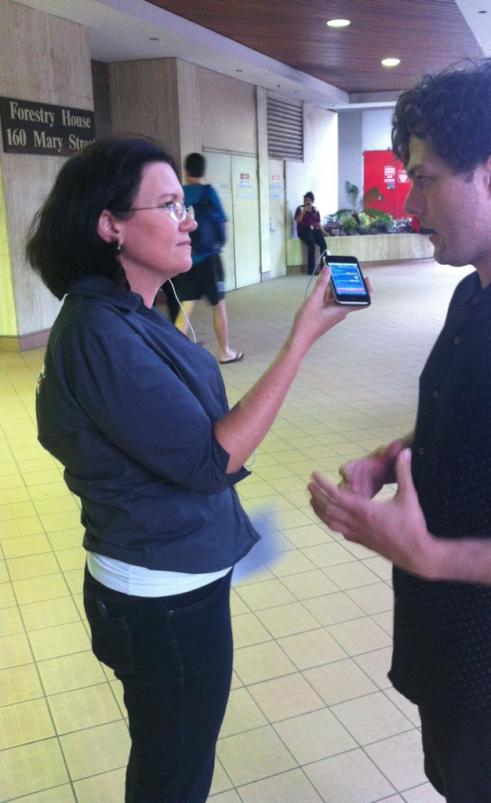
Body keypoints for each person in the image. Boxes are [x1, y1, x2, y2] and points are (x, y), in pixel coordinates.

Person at [26, 137, 366, 803]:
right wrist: (299, 339)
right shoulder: (101, 331)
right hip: (161, 598)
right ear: (109, 224)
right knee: (173, 776)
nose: (189, 220)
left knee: (174, 759)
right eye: (169, 205)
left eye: (184, 203)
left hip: (177, 575)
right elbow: (214, 455)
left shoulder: (135, 310)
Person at [308, 57, 491, 803]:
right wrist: (393, 454)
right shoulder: (476, 293)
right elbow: (483, 419)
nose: (410, 202)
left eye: (426, 178)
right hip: (448, 646)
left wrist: (433, 555)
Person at [162, 152, 243, 364]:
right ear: (202, 171)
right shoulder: (209, 192)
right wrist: (217, 246)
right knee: (219, 306)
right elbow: (222, 224)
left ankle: (176, 356)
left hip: (187, 259)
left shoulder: (177, 195)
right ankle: (225, 352)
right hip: (210, 259)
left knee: (186, 306)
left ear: (186, 171)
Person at [294, 191, 327, 274]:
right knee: (311, 245)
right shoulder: (300, 209)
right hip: (303, 230)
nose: (307, 202)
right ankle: (311, 271)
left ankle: (323, 269)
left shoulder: (316, 210)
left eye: (309, 200)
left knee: (323, 245)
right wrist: (304, 211)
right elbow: (297, 221)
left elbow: (318, 222)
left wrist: (323, 231)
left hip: (314, 230)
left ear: (312, 201)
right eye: (305, 200)